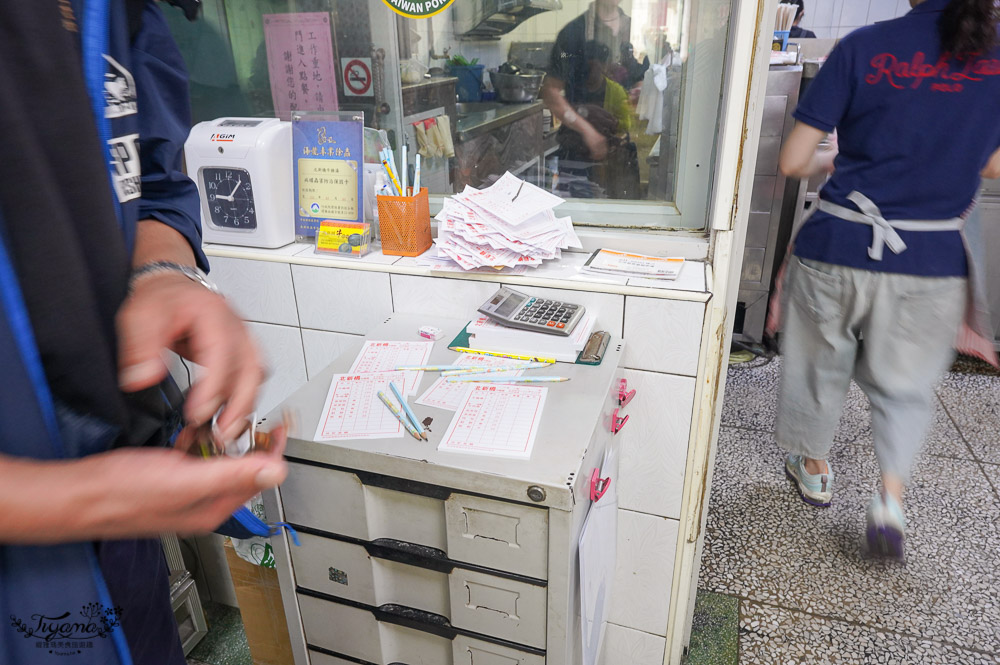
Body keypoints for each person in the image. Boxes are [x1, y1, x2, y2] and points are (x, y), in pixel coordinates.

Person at [0, 2, 287, 665]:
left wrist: (164, 274)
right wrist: (77, 499)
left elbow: (154, 184)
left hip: (120, 524)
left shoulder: (125, 16)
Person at [774, 0, 1000, 561]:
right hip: (930, 257)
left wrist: (832, 159)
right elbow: (993, 165)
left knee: (818, 363)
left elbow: (792, 160)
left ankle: (815, 468)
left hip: (838, 243)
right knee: (904, 387)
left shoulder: (863, 45)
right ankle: (889, 500)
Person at [543, 0, 646, 169]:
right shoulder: (573, 32)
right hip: (579, 149)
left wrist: (640, 90)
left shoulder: (629, 26)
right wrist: (586, 130)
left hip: (621, 149)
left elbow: (637, 76)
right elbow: (551, 92)